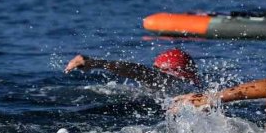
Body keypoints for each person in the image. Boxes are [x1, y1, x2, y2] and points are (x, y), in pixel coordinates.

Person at [65, 48, 201, 88]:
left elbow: (135, 70)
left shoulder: (172, 83)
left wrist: (91, 63)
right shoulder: (177, 83)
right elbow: (136, 70)